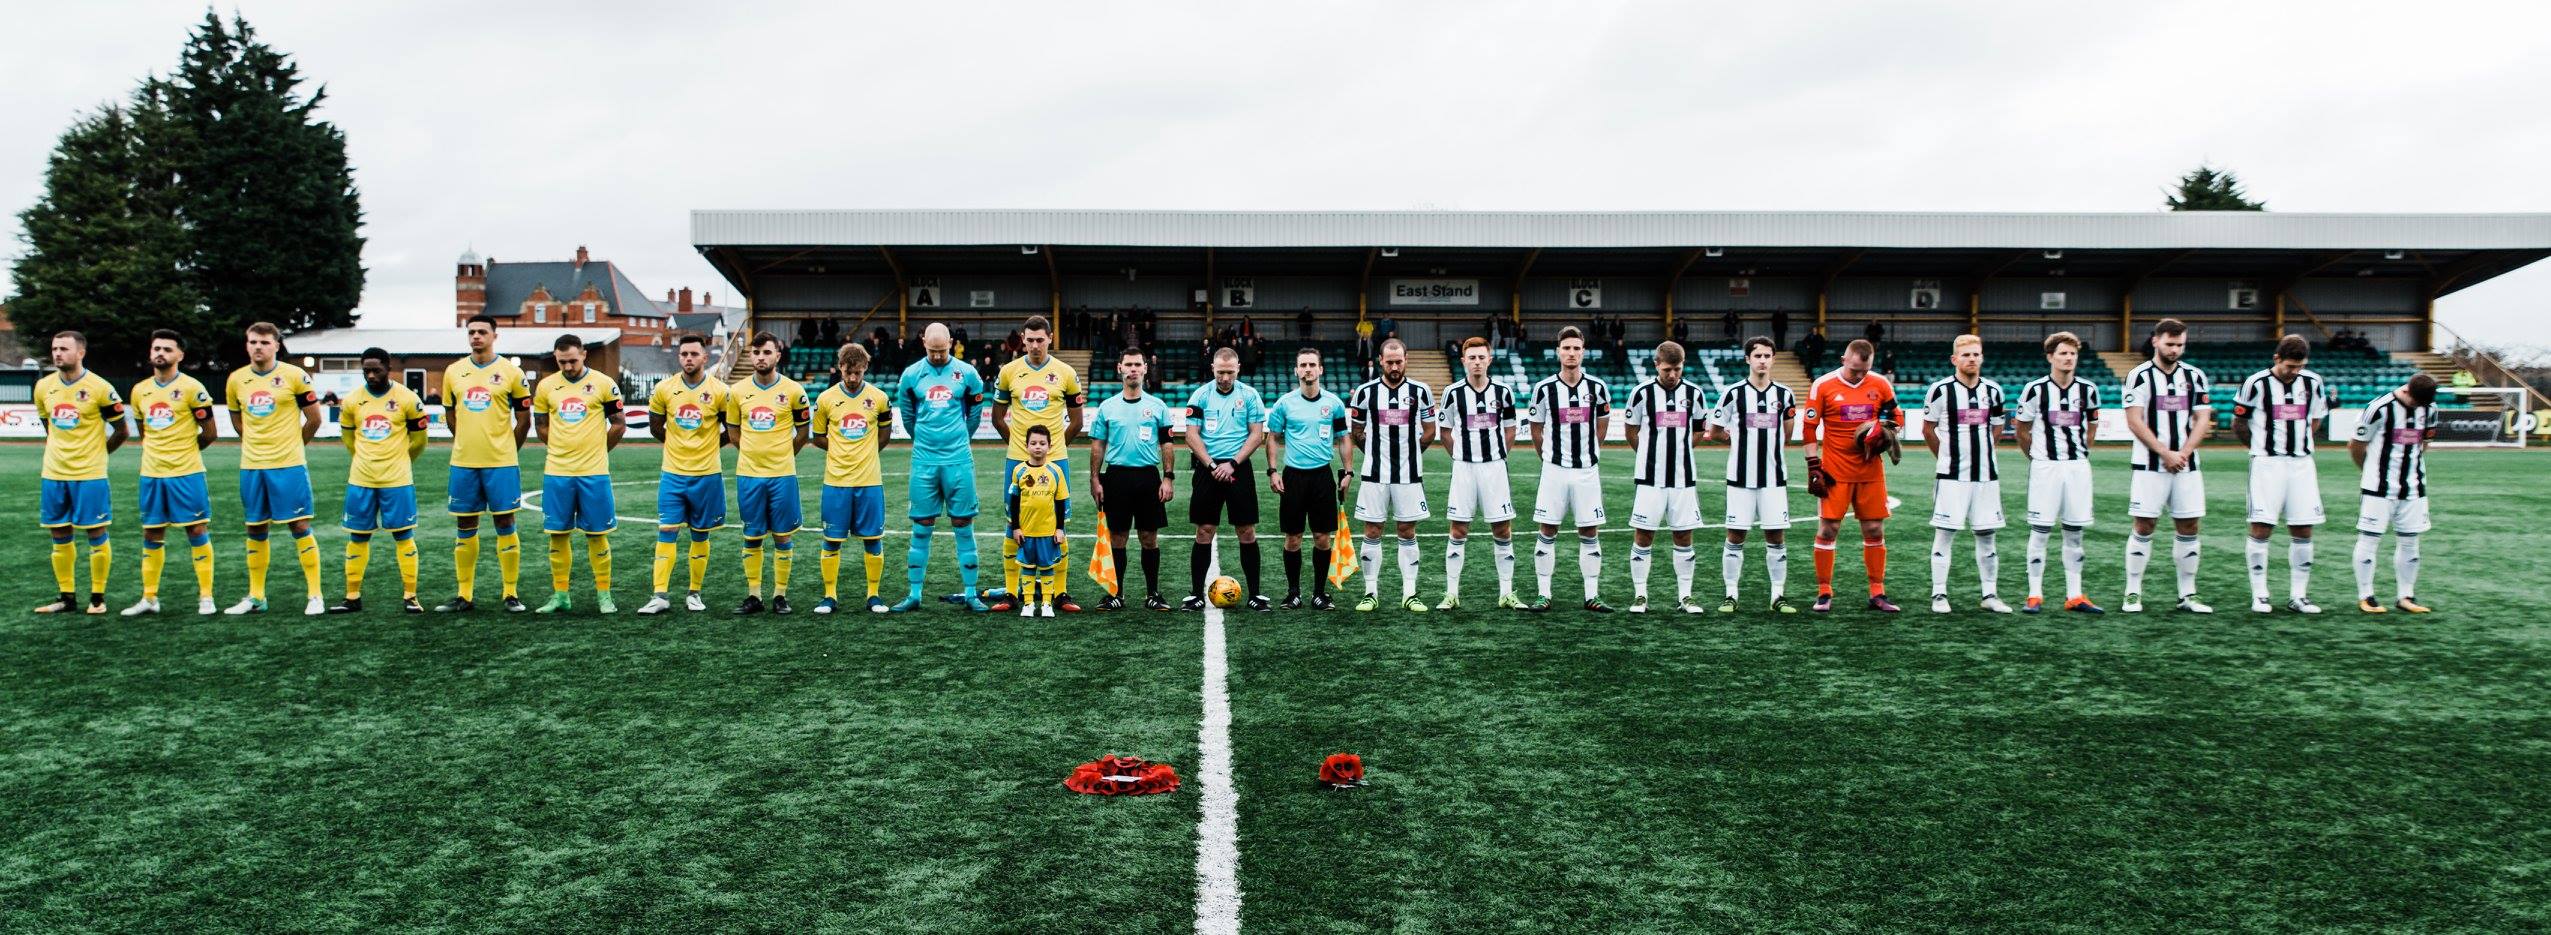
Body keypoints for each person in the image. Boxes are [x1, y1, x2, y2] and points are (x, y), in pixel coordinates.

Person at [226, 321, 326, 615]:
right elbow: (236, 419)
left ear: (276, 346)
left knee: (300, 525)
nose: (258, 347)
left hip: (288, 465)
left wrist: (294, 447)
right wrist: (254, 444)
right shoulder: (236, 380)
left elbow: (314, 420)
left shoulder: (295, 376)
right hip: (252, 466)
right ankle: (257, 596)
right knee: (254, 527)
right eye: (253, 342)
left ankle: (315, 595)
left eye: (264, 342)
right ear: (247, 344)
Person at [438, 314, 534, 613]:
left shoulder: (511, 372)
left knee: (505, 522)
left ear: (495, 335)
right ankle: (464, 595)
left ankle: (510, 593)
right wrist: (464, 438)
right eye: (472, 332)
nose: (476, 336)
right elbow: (450, 413)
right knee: (465, 524)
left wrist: (509, 448)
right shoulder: (453, 371)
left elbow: (524, 418)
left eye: (482, 332)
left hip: (501, 462)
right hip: (464, 461)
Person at [990, 316, 1087, 611]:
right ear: (1022, 339)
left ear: (1051, 338)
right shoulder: (1008, 372)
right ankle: (1011, 592)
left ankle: (1060, 592)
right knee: (1013, 525)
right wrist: (1020, 449)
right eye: (1029, 340)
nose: (1034, 345)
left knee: (1058, 526)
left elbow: (1077, 421)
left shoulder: (1066, 373)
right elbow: (997, 417)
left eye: (1040, 340)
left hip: (1056, 463)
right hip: (1016, 462)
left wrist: (1052, 453)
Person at [894, 323, 991, 612]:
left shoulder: (968, 373)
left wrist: (960, 437)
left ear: (951, 342)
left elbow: (975, 413)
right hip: (924, 461)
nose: (937, 356)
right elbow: (909, 417)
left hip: (958, 460)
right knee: (921, 527)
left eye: (942, 350)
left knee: (963, 524)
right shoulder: (911, 375)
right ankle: (914, 594)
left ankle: (971, 594)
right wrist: (925, 441)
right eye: (932, 351)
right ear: (923, 343)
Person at [2121, 318, 2215, 614]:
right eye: (2170, 344)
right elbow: (2134, 419)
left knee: (2189, 525)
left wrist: (2183, 452)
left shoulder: (2195, 376)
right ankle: (2133, 592)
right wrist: (2164, 452)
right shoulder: (2138, 375)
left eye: (2179, 345)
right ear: (2155, 341)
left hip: (2186, 464)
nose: (2175, 350)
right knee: (2144, 524)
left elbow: (2202, 417)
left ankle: (2188, 594)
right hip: (2150, 464)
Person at [2232, 334, 2329, 614]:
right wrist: (2259, 449)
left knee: (2303, 528)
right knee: (2262, 526)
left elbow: (2315, 418)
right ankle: (2260, 594)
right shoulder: (2256, 383)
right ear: (2276, 359)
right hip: (2267, 464)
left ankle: (2299, 596)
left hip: (2301, 464)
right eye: (2289, 366)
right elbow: (2238, 422)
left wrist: (2301, 444)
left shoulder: (2313, 382)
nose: (2294, 372)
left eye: (2299, 367)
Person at [1803, 338, 1902, 613]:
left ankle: (1877, 592)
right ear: (1844, 359)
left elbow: (1897, 417)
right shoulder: (1823, 384)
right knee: (1828, 529)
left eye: (1865, 370)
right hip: (1835, 471)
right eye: (1855, 369)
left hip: (1870, 471)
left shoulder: (1880, 383)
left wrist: (1884, 431)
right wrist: (1813, 466)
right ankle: (1824, 592)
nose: (1860, 375)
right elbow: (1810, 428)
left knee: (1874, 529)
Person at [125, 330, 220, 617]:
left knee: (196, 529)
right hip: (151, 474)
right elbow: (144, 432)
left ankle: (206, 597)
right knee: (152, 532)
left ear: (180, 355)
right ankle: (150, 598)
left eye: (167, 349)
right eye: (156, 348)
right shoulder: (140, 390)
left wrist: (184, 454)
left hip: (186, 472)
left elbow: (210, 433)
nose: (160, 353)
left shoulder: (193, 388)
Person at [34, 330, 128, 614]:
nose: (57, 354)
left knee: (95, 533)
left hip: (90, 474)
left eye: (63, 348)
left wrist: (98, 454)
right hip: (53, 473)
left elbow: (122, 430)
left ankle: (97, 598)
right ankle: (66, 597)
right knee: (59, 534)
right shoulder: (43, 387)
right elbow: (47, 425)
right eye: (54, 349)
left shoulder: (100, 387)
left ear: (80, 353)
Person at [331, 347, 430, 614]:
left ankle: (411, 596)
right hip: (361, 479)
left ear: (389, 368)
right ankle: (352, 597)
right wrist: (362, 459)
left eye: (377, 370)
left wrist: (401, 461)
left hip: (396, 479)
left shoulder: (408, 399)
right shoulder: (352, 401)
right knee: (357, 536)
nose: (371, 375)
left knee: (403, 535)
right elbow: (349, 439)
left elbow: (419, 440)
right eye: (366, 371)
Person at [531, 334, 626, 614]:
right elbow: (541, 426)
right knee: (557, 535)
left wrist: (599, 450)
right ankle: (561, 595)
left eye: (572, 360)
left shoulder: (604, 384)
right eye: (562, 362)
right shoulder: (546, 386)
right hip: (557, 472)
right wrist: (561, 449)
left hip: (593, 473)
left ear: (584, 354)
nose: (568, 367)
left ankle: (604, 596)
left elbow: (619, 424)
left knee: (597, 535)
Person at [1919, 335, 2013, 614]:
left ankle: (1990, 594)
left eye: (1976, 354)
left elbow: (1997, 428)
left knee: (1987, 536)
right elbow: (1928, 429)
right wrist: (1947, 458)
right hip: (1951, 477)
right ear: (1954, 360)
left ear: (1982, 357)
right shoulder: (1940, 390)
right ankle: (1938, 594)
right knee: (1945, 534)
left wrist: (1984, 453)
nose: (1972, 359)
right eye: (1966, 355)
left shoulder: (1994, 391)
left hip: (1986, 477)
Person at [2012, 332, 2104, 615]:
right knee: (2040, 531)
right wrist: (2037, 457)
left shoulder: (2088, 390)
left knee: (2074, 532)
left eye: (2073, 354)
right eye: (2063, 353)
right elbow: (2021, 430)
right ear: (2050, 357)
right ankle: (2034, 594)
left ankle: (2075, 595)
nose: (2068, 358)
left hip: (2077, 467)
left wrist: (2080, 452)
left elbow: (2091, 426)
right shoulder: (2035, 389)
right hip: (2045, 467)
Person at [1708, 336, 1800, 613]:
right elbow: (1713, 431)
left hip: (1773, 479)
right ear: (1747, 359)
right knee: (1735, 536)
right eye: (1757, 356)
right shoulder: (1733, 394)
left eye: (1767, 356)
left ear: (1773, 359)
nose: (1762, 360)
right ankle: (1731, 595)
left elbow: (1786, 432)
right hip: (1740, 479)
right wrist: (1737, 441)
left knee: (1776, 537)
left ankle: (1777, 596)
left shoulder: (1784, 395)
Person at [640, 333, 730, 615]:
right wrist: (677, 444)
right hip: (673, 474)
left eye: (694, 354)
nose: (688, 359)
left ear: (706, 357)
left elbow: (732, 429)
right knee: (666, 531)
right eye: (684, 354)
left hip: (707, 475)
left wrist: (708, 445)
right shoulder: (664, 389)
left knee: (700, 535)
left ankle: (694, 593)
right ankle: (659, 595)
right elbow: (655, 426)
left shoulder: (720, 391)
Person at [1525, 326, 1612, 612]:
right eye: (1566, 348)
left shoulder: (1597, 388)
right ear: (1558, 352)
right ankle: (1543, 593)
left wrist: (1591, 449)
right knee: (1547, 530)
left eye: (1576, 348)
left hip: (1586, 471)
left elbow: (1602, 424)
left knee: (1589, 531)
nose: (1571, 353)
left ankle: (1592, 595)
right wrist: (1548, 457)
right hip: (1555, 471)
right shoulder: (1544, 388)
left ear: (1583, 351)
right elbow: (1536, 429)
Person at [726, 332, 811, 614]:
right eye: (756, 352)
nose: (760, 357)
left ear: (778, 355)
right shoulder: (737, 392)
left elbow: (803, 432)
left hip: (782, 475)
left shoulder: (795, 391)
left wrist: (784, 454)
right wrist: (749, 452)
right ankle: (754, 596)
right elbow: (733, 430)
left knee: (782, 536)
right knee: (752, 536)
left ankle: (779, 596)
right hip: (749, 475)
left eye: (766, 352)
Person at [1435, 337, 1522, 610]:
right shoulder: (1452, 393)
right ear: (1463, 361)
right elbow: (1445, 431)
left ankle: (1506, 593)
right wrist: (1460, 457)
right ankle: (1451, 593)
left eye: (1481, 357)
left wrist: (1499, 456)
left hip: (1494, 468)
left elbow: (1510, 428)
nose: (1476, 362)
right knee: (1458, 529)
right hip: (1464, 469)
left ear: (1489, 360)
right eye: (1471, 358)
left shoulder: (1503, 392)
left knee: (1502, 528)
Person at [1349, 338, 1434, 613]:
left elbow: (1430, 430)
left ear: (1406, 360)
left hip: (1409, 475)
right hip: (1374, 475)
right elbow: (1357, 432)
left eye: (1399, 361)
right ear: (1381, 362)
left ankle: (1409, 593)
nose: (1395, 366)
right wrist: (1373, 453)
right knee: (1372, 530)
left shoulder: (1421, 391)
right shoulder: (1364, 392)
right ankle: (1370, 592)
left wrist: (1411, 453)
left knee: (1407, 530)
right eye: (1390, 362)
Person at [1089, 349, 1178, 610]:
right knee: (1118, 537)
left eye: (1137, 364)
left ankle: (1153, 593)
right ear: (1120, 368)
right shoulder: (1107, 407)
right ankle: (1116, 594)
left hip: (1148, 476)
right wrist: (1095, 478)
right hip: (1116, 476)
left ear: (1145, 369)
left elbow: (1167, 445)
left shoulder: (1157, 406)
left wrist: (1168, 478)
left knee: (1149, 537)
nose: (1133, 369)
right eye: (1128, 364)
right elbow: (1097, 446)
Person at [1623, 341, 1708, 613]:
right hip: (1650, 478)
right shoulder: (1641, 393)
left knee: (1684, 537)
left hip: (1683, 478)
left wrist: (1681, 451)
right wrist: (1650, 455)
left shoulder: (1695, 393)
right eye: (1668, 369)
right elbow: (1631, 431)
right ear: (1656, 365)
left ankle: (1685, 596)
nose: (1673, 375)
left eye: (1678, 369)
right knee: (1643, 536)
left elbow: (1697, 431)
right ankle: (1640, 595)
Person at [1183, 348, 1271, 610]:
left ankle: (1255, 594)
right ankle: (1196, 594)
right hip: (1207, 470)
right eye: (1220, 372)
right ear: (1212, 368)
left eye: (1230, 372)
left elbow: (1257, 435)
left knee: (1246, 531)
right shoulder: (1200, 395)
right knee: (1204, 531)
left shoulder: (1250, 396)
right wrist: (1212, 465)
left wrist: (1232, 464)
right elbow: (1191, 435)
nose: (1224, 377)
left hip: (1238, 469)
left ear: (1238, 368)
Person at [811, 343, 895, 615]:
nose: (852, 378)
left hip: (869, 480)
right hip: (836, 481)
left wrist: (866, 452)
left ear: (865, 369)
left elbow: (884, 435)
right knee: (832, 540)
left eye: (857, 372)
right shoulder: (825, 399)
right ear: (840, 368)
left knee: (873, 539)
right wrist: (840, 451)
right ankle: (829, 596)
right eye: (848, 372)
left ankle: (873, 595)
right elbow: (818, 436)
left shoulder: (880, 398)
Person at [1266, 348, 1352, 609]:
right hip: (1293, 477)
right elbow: (1273, 437)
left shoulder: (1334, 403)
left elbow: (1344, 438)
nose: (1307, 369)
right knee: (1292, 537)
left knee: (1322, 537)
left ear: (1320, 369)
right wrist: (1273, 470)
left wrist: (1348, 471)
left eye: (1312, 365)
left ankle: (1319, 593)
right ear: (1296, 370)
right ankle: (1293, 593)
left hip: (1322, 477)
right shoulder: (1284, 403)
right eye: (1302, 365)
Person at [2349, 374, 2440, 614]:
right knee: (2369, 540)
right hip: (2378, 488)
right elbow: (2356, 445)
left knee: (2411, 542)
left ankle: (2406, 596)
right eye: (2415, 403)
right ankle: (2366, 596)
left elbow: (2424, 444)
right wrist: (2369, 472)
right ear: (2407, 391)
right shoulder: (2378, 408)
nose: (2418, 408)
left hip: (2413, 488)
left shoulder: (2430, 409)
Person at [1007, 425, 1071, 617]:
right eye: (1033, 443)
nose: (1038, 447)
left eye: (1042, 443)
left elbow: (1060, 502)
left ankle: (1046, 603)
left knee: (1047, 568)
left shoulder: (1055, 471)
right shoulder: (1019, 471)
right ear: (1026, 446)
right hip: (1026, 532)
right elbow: (1014, 502)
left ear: (1049, 446)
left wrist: (1060, 529)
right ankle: (1027, 603)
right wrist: (1016, 528)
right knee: (1027, 568)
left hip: (1047, 532)